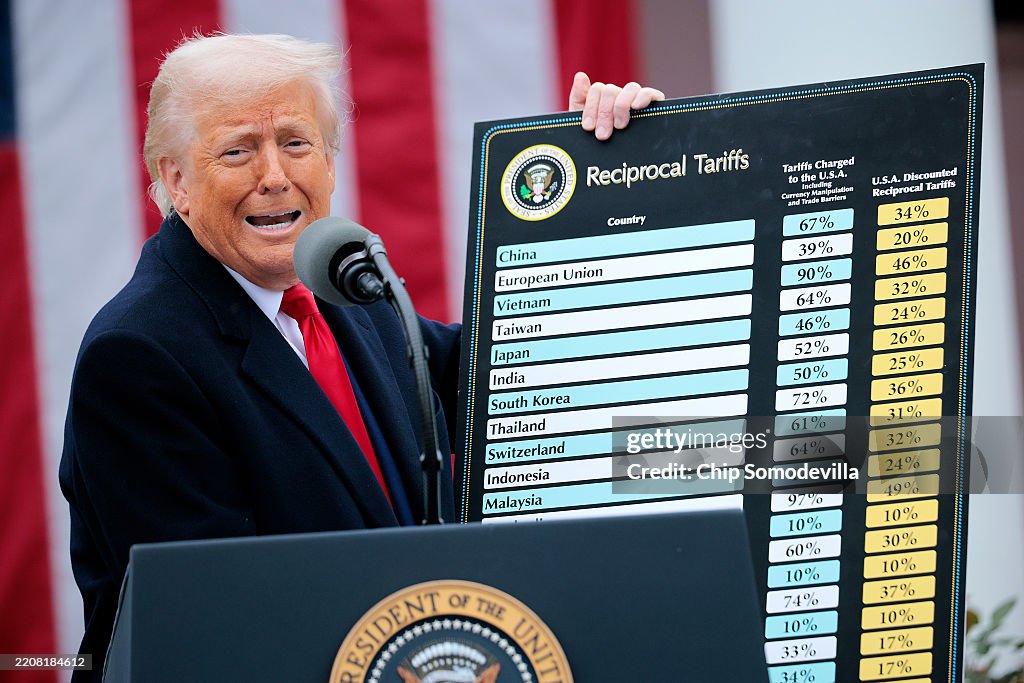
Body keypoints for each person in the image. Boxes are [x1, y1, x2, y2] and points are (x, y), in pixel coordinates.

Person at [58, 33, 664, 679]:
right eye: (237, 151)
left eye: (296, 142)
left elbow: (516, 383)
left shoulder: (346, 287)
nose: (274, 176)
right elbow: (214, 621)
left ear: (330, 161)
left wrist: (610, 178)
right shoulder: (138, 355)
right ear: (175, 179)